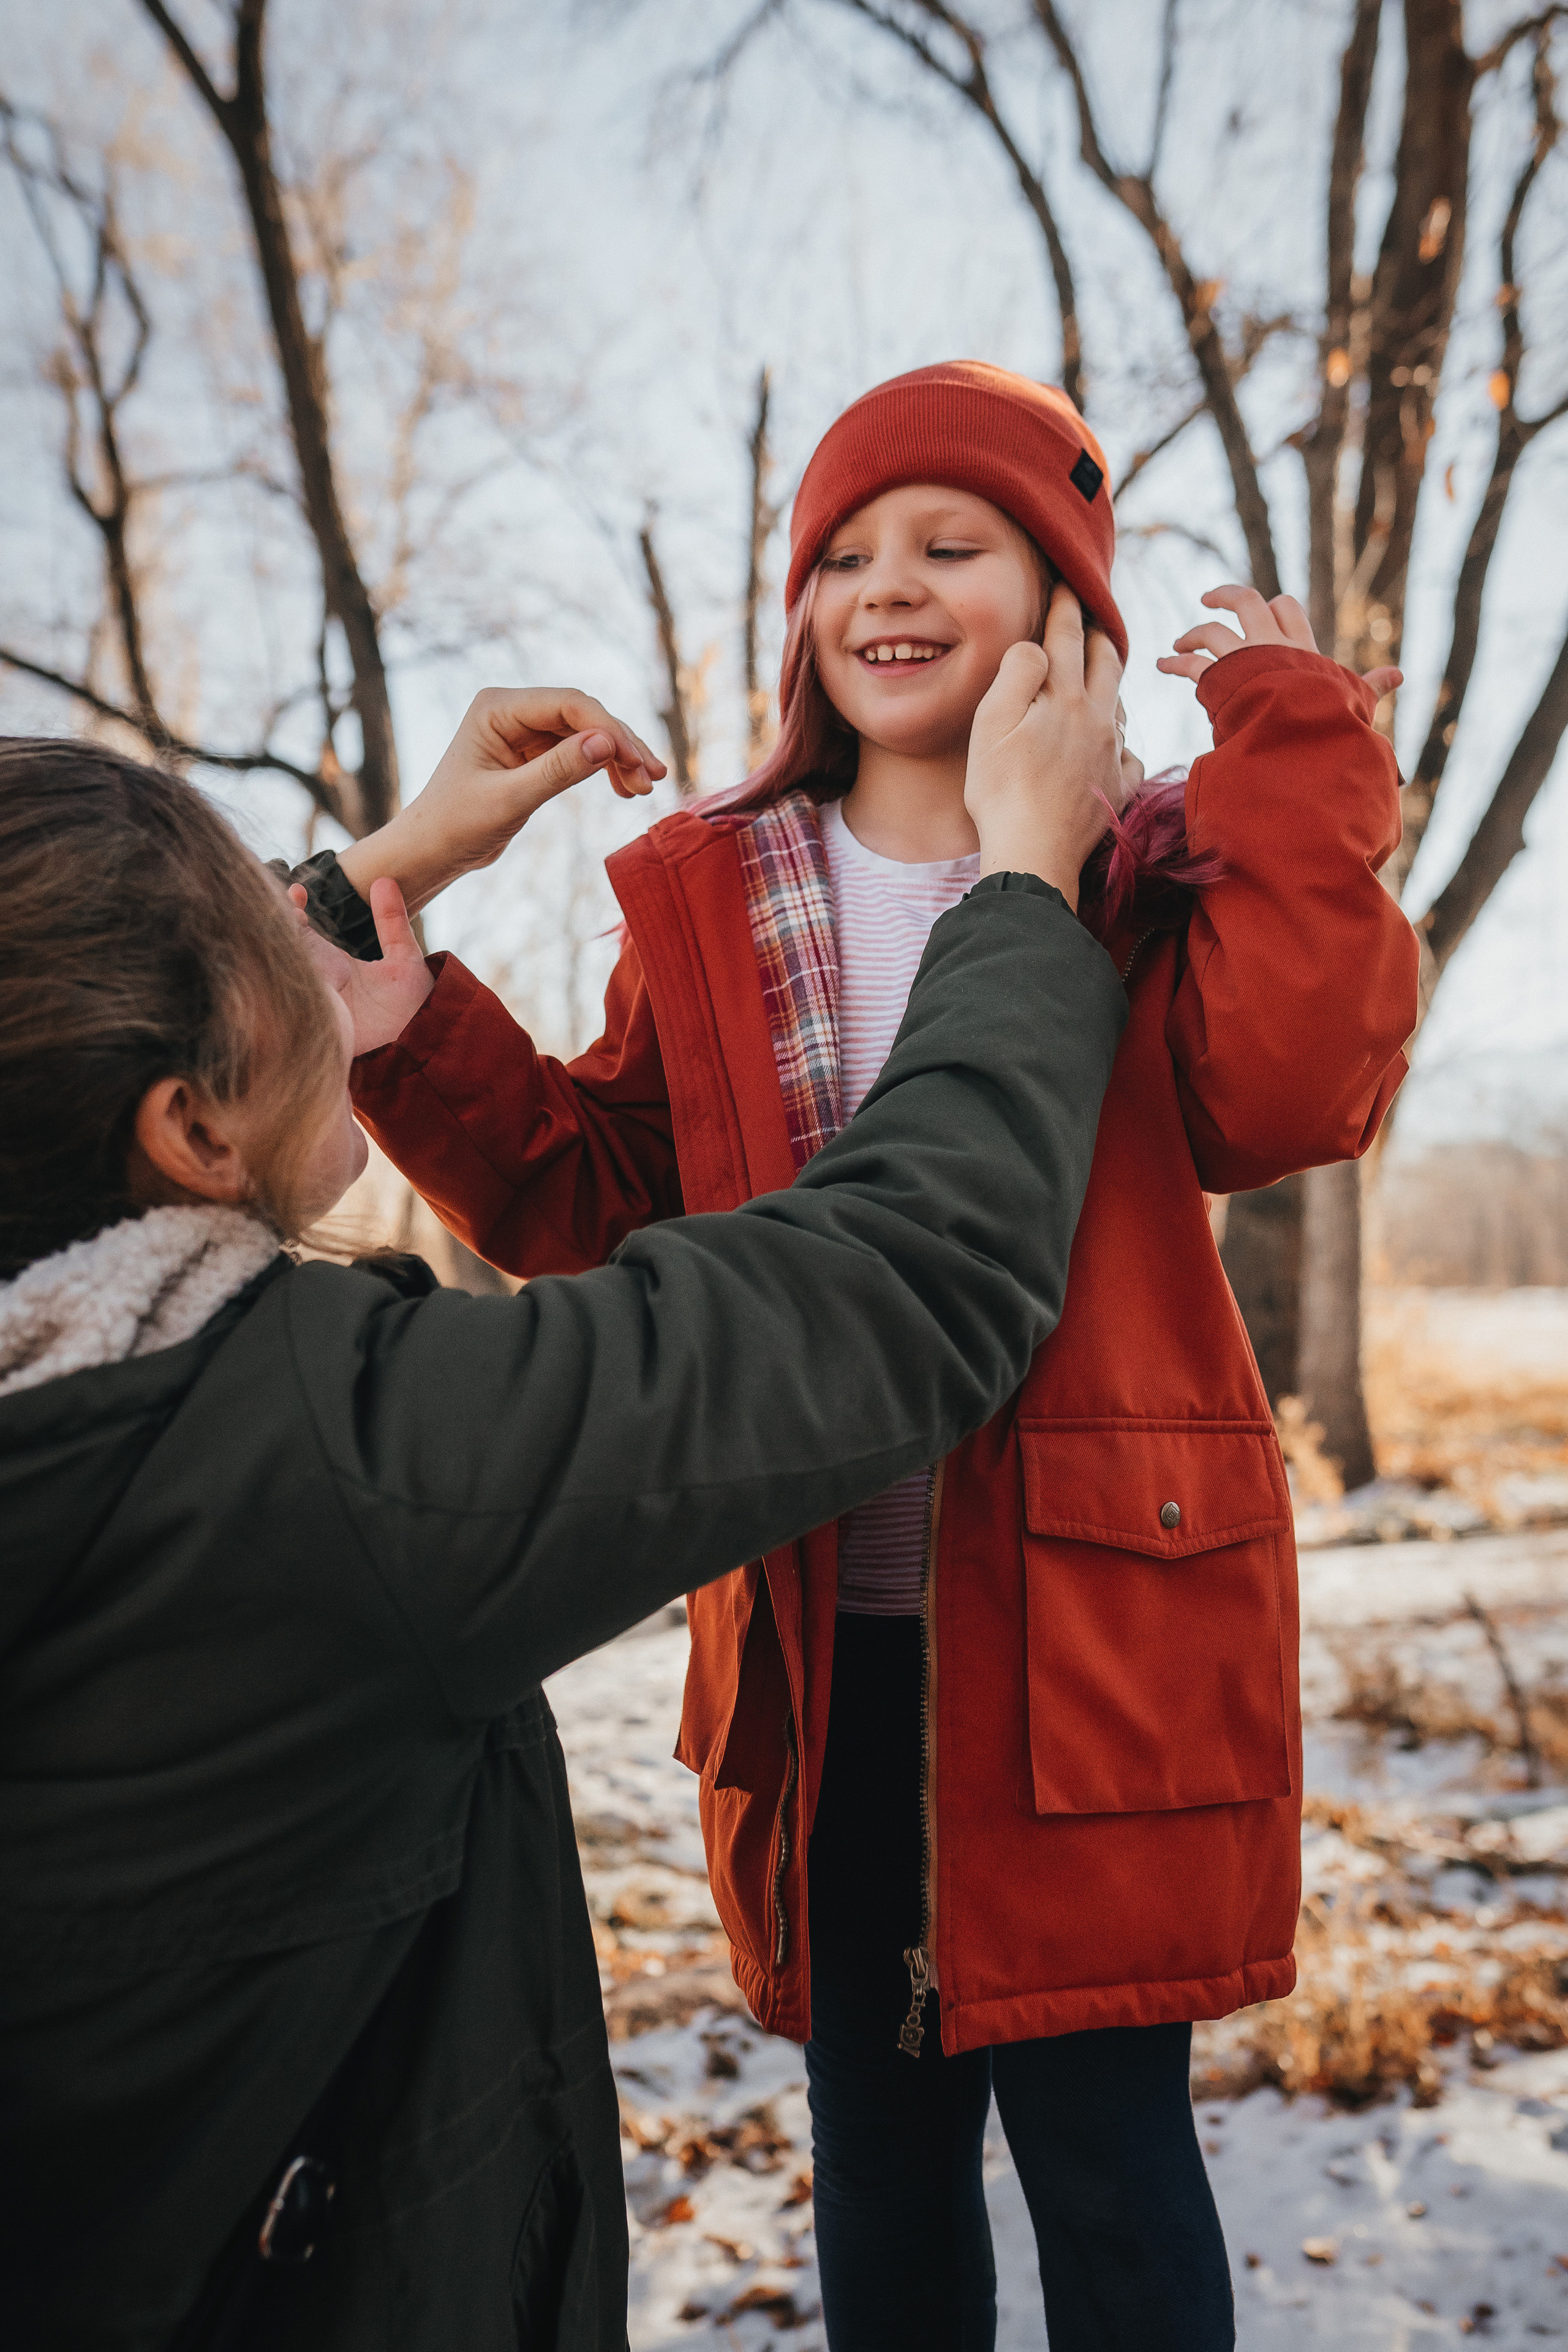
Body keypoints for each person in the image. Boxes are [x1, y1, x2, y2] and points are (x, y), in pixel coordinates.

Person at [298, 362, 1420, 2352]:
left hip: (1097, 1644)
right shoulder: (716, 897)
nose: (885, 585)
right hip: (825, 1645)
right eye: (843, 552)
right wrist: (415, 1014)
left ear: (1061, 600)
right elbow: (605, 1200)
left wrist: (1299, 744)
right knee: (882, 2169)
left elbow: (1303, 1085)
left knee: (1113, 2180)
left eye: (951, 543)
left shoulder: (1153, 878)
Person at [0, 660, 1125, 2352]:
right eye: (266, 969)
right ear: (191, 1130)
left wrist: (372, 879)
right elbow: (898, 1282)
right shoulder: (321, 1464)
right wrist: (1028, 883)